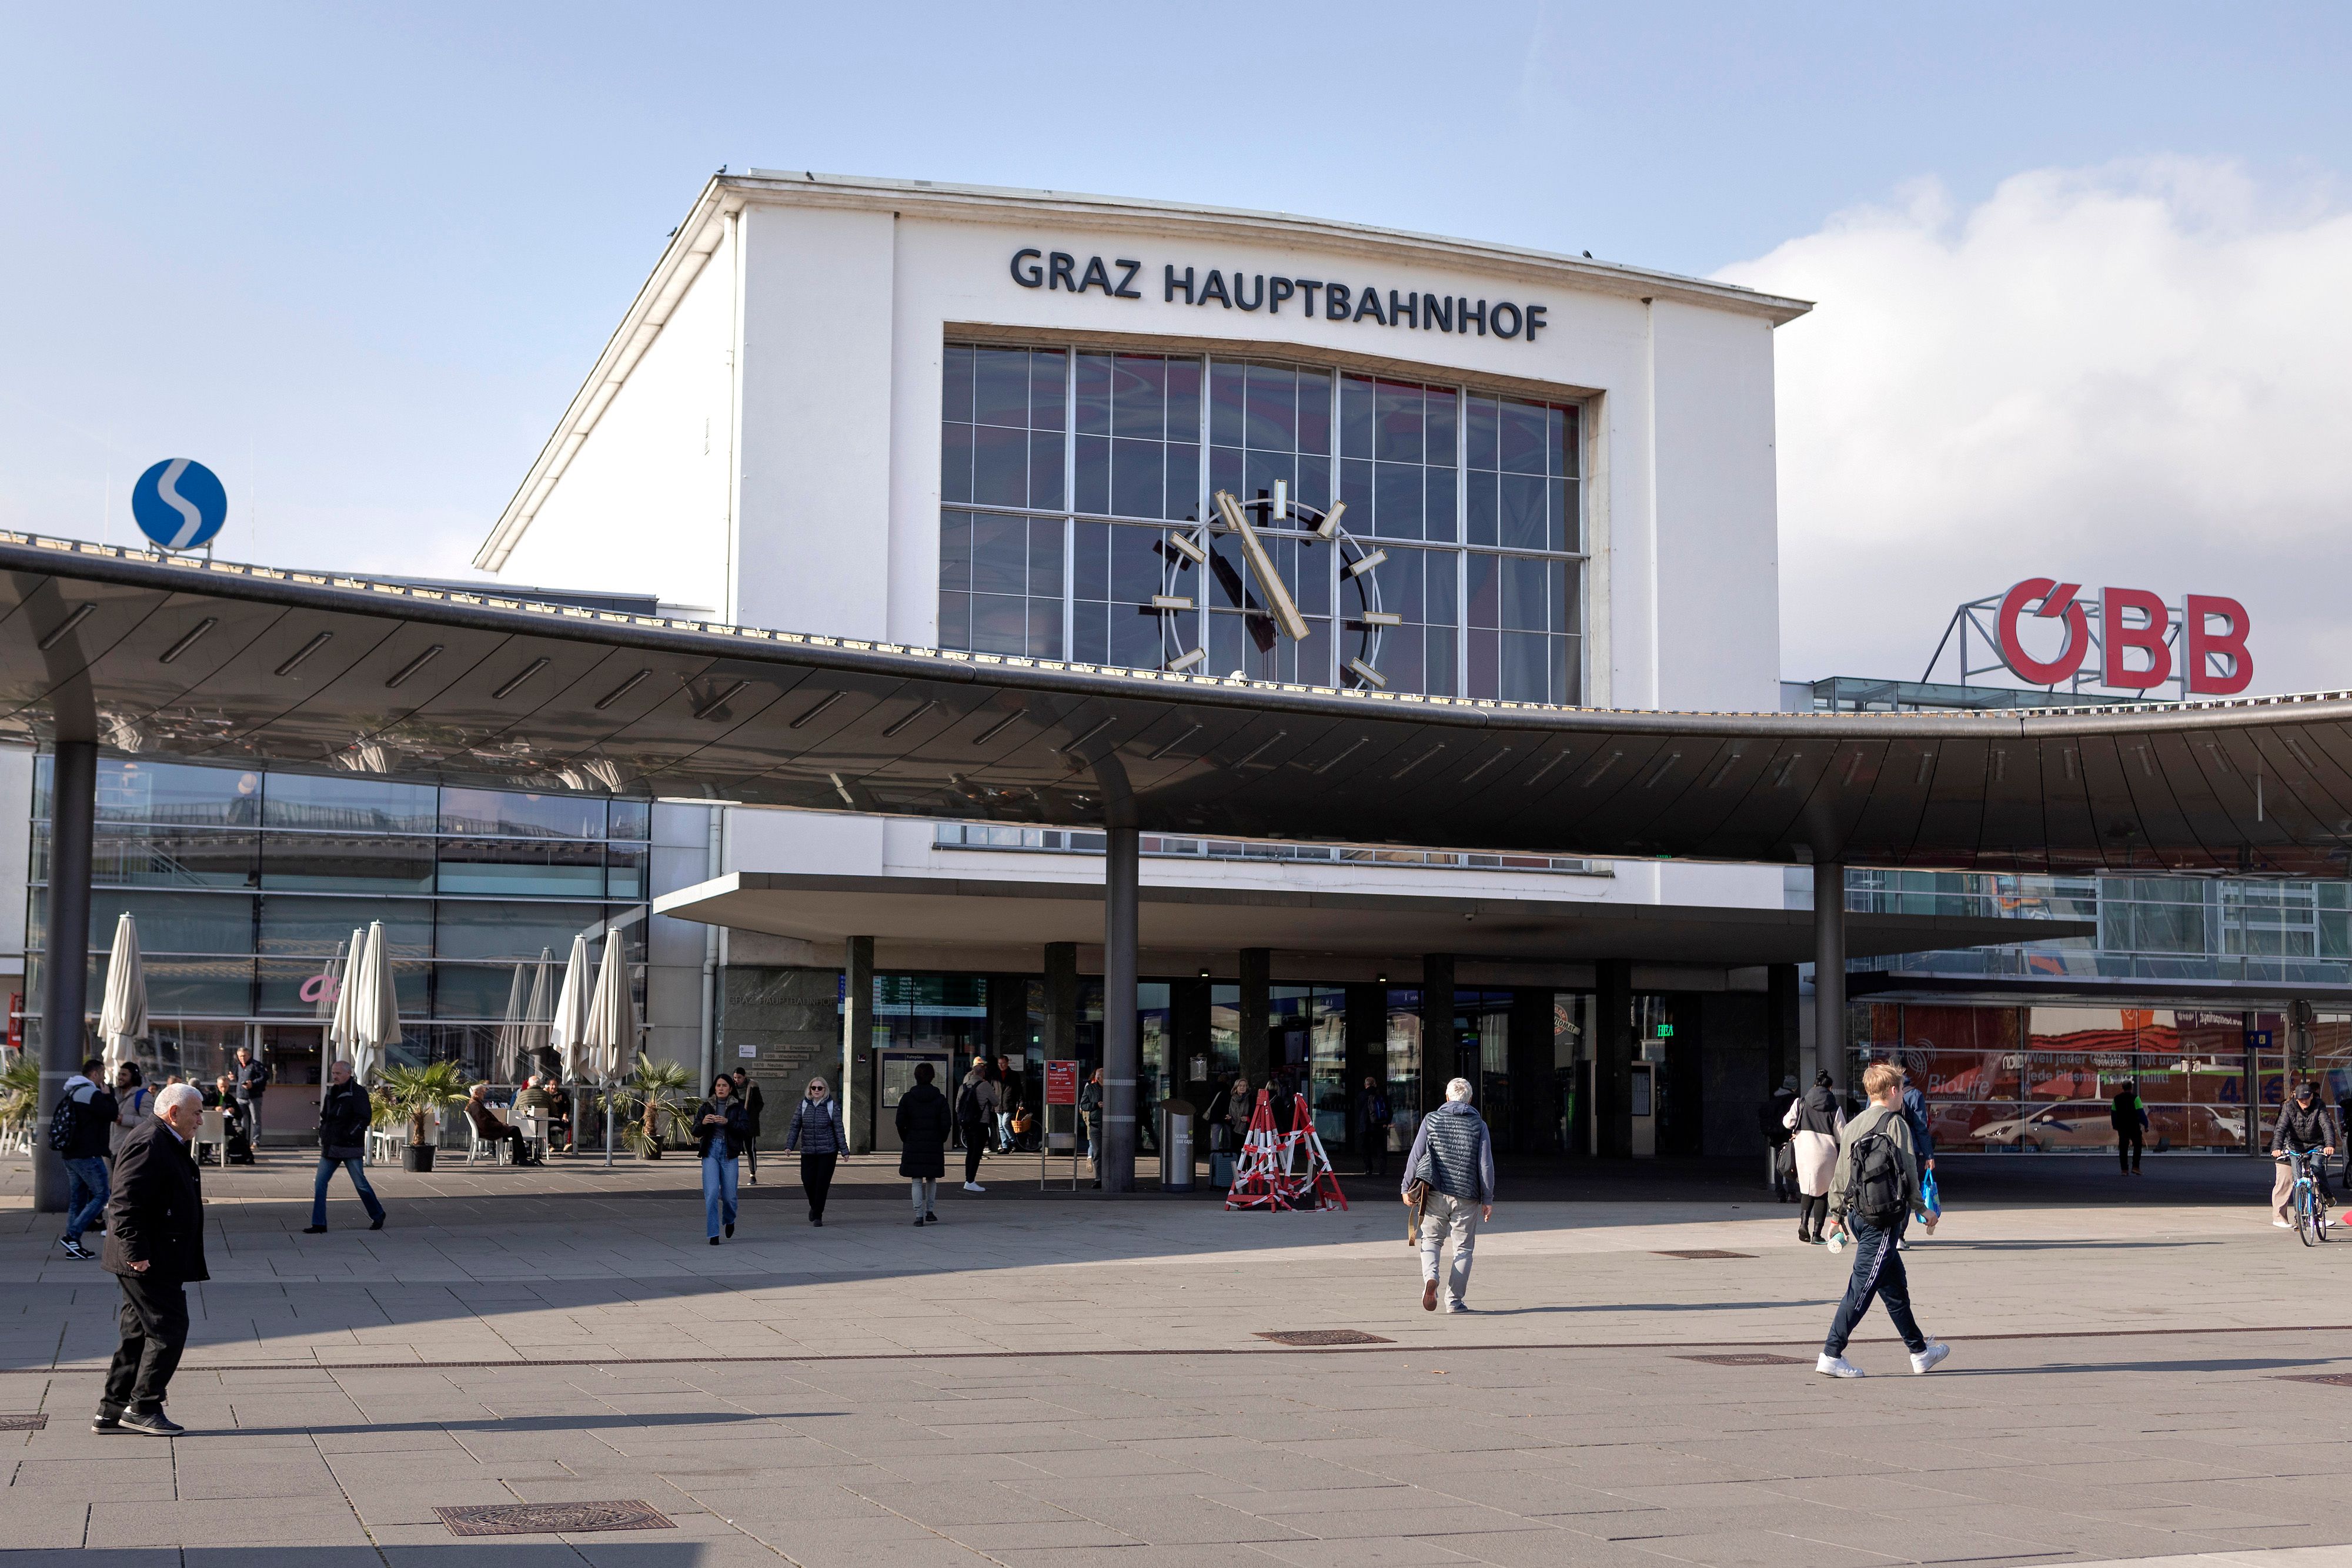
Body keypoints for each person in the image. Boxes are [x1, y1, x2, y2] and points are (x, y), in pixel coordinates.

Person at [1818, 1062, 1948, 1378]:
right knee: (1860, 1289)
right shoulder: (1896, 1123)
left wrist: (1836, 1216)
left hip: (1859, 1216)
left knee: (1894, 1288)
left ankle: (1919, 1353)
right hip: (1883, 1219)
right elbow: (1908, 1171)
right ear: (1892, 1091)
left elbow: (1840, 1176)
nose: (1904, 1095)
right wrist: (1922, 1209)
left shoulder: (1853, 1125)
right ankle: (1831, 1354)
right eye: (1902, 1089)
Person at [98, 1081, 208, 1436]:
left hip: (156, 1254)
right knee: (168, 1328)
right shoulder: (150, 1141)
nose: (201, 1121)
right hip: (148, 1258)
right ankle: (143, 1405)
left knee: (136, 1332)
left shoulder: (166, 1139)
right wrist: (137, 1253)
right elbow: (124, 1201)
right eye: (197, 1113)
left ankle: (112, 1410)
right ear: (174, 1113)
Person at [1399, 1077, 1494, 1313]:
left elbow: (1416, 1155)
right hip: (1467, 1195)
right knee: (1463, 1249)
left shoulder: (1431, 1120)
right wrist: (1488, 1199)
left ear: (1447, 1097)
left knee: (1431, 1240)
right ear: (1470, 1099)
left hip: (1435, 1192)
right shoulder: (1479, 1124)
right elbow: (1485, 1165)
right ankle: (1454, 1302)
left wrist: (1405, 1186)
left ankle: (1431, 1278)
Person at [306, 1059, 386, 1234]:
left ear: (348, 1074)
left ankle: (378, 1214)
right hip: (331, 1145)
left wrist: (349, 1134)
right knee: (320, 1183)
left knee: (360, 1184)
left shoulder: (357, 1093)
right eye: (333, 1073)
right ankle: (319, 1223)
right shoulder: (332, 1092)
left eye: (338, 1073)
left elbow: (364, 1118)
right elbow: (325, 1116)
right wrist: (324, 1132)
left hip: (350, 1146)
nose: (334, 1076)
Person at [55, 1057, 118, 1261]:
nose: (104, 1080)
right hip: (87, 1154)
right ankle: (72, 1236)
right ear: (95, 1074)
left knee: (79, 1199)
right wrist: (108, 1096)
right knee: (102, 1195)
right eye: (103, 1075)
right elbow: (111, 1113)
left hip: (71, 1154)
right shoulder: (90, 1092)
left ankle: (73, 1246)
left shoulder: (73, 1091)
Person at [1783, 1072, 1845, 1244]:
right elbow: (1842, 1135)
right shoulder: (1835, 1107)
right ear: (1830, 1088)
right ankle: (1817, 1234)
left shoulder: (1801, 1102)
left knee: (1807, 1189)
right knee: (1823, 1193)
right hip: (1827, 1153)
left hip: (1804, 1150)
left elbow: (1787, 1123)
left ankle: (1804, 1223)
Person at [2271, 1081, 2337, 1229]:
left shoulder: (2319, 1106)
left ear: (2312, 1096)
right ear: (2295, 1097)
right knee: (2297, 1180)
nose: (2304, 1102)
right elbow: (2280, 1129)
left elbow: (2327, 1125)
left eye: (2307, 1099)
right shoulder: (2288, 1107)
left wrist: (2329, 1145)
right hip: (2296, 1146)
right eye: (2301, 1100)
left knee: (2317, 1167)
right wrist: (2276, 1148)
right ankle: (2300, 1216)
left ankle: (2327, 1195)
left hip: (2316, 1144)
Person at [693, 1074, 750, 1245]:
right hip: (710, 1152)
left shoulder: (738, 1108)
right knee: (711, 1194)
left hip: (729, 1152)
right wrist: (703, 1123)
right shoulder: (706, 1106)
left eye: (724, 1085)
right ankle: (713, 1233)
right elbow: (695, 1131)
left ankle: (730, 1219)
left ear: (730, 1089)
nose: (721, 1088)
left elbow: (746, 1129)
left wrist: (728, 1122)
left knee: (730, 1196)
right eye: (718, 1085)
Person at [896, 1060, 951, 1225]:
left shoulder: (907, 1098)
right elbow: (946, 1123)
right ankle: (930, 1211)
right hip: (934, 1143)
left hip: (913, 1142)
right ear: (933, 1077)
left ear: (915, 1077)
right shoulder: (940, 1099)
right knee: (932, 1178)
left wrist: (906, 1137)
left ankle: (919, 1215)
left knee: (916, 1180)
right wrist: (941, 1138)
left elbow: (900, 1122)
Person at [785, 1075, 846, 1226]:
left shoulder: (832, 1106)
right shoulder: (804, 1105)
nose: (816, 1090)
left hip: (828, 1152)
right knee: (807, 1181)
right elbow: (795, 1126)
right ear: (810, 1090)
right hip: (808, 1151)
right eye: (814, 1088)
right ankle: (814, 1206)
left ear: (825, 1090)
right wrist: (789, 1146)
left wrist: (844, 1150)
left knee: (822, 1184)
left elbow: (839, 1129)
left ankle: (818, 1214)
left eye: (820, 1088)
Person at [461, 1082, 533, 1166]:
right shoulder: (476, 1105)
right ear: (476, 1093)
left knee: (514, 1130)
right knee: (515, 1130)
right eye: (482, 1092)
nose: (484, 1094)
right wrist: (501, 1125)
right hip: (489, 1132)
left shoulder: (473, 1103)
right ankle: (521, 1159)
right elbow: (485, 1123)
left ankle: (517, 1159)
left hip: (486, 1130)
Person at [956, 1055, 998, 1193]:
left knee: (970, 1152)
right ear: (983, 1073)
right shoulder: (985, 1085)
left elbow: (958, 1106)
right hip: (980, 1123)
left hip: (967, 1124)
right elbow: (996, 1101)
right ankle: (970, 1181)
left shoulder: (964, 1086)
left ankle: (968, 1179)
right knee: (977, 1152)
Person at [1762, 1075, 1799, 1202]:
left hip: (1777, 1137)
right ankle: (1792, 1193)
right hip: (1790, 1136)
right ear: (1794, 1087)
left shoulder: (1775, 1098)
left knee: (1779, 1165)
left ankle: (1780, 1193)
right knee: (1790, 1164)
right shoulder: (1794, 1100)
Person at [230, 1046, 268, 1158]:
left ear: (249, 1055)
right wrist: (233, 1077)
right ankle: (242, 1141)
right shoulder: (238, 1066)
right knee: (239, 1120)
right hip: (241, 1097)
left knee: (256, 1121)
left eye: (244, 1056)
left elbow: (265, 1077)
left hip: (254, 1097)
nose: (242, 1058)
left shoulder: (256, 1065)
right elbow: (238, 1078)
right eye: (240, 1056)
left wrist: (253, 1083)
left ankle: (256, 1143)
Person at [730, 1068, 765, 1184]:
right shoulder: (731, 1087)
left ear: (744, 1076)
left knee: (750, 1148)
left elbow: (760, 1103)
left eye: (739, 1078)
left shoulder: (752, 1086)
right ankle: (730, 1175)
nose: (737, 1080)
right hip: (735, 1122)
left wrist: (753, 1114)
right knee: (733, 1147)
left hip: (749, 1122)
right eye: (735, 1078)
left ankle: (753, 1174)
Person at [112, 1062, 152, 1160]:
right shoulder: (116, 1095)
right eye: (119, 1074)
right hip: (113, 1150)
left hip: (130, 1152)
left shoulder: (144, 1096)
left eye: (124, 1075)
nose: (120, 1077)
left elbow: (150, 1123)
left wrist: (124, 1119)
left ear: (134, 1077)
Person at [1357, 1075, 1394, 1178]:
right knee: (1381, 1148)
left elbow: (1358, 1111)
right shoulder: (1381, 1095)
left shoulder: (1362, 1095)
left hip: (1365, 1126)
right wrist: (1386, 1123)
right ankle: (1382, 1169)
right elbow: (1390, 1111)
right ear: (1375, 1084)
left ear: (1365, 1085)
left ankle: (1369, 1168)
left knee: (1365, 1148)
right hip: (1379, 1126)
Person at [2112, 1079, 2150, 1176]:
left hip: (2122, 1126)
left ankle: (2124, 1170)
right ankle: (2136, 1167)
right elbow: (2141, 1113)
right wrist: (2146, 1124)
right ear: (2131, 1088)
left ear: (2123, 1088)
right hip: (2133, 1125)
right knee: (2138, 1145)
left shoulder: (2116, 1099)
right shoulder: (2136, 1099)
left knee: (2123, 1147)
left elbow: (2114, 1113)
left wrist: (2115, 1125)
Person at [1078, 1067, 1104, 1189]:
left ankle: (1108, 1176)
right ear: (1098, 1078)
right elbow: (1083, 1105)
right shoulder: (1090, 1089)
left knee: (1111, 1152)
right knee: (1098, 1152)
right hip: (1095, 1124)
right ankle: (1099, 1178)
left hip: (1109, 1125)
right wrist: (1096, 1105)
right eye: (1104, 1077)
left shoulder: (1112, 1088)